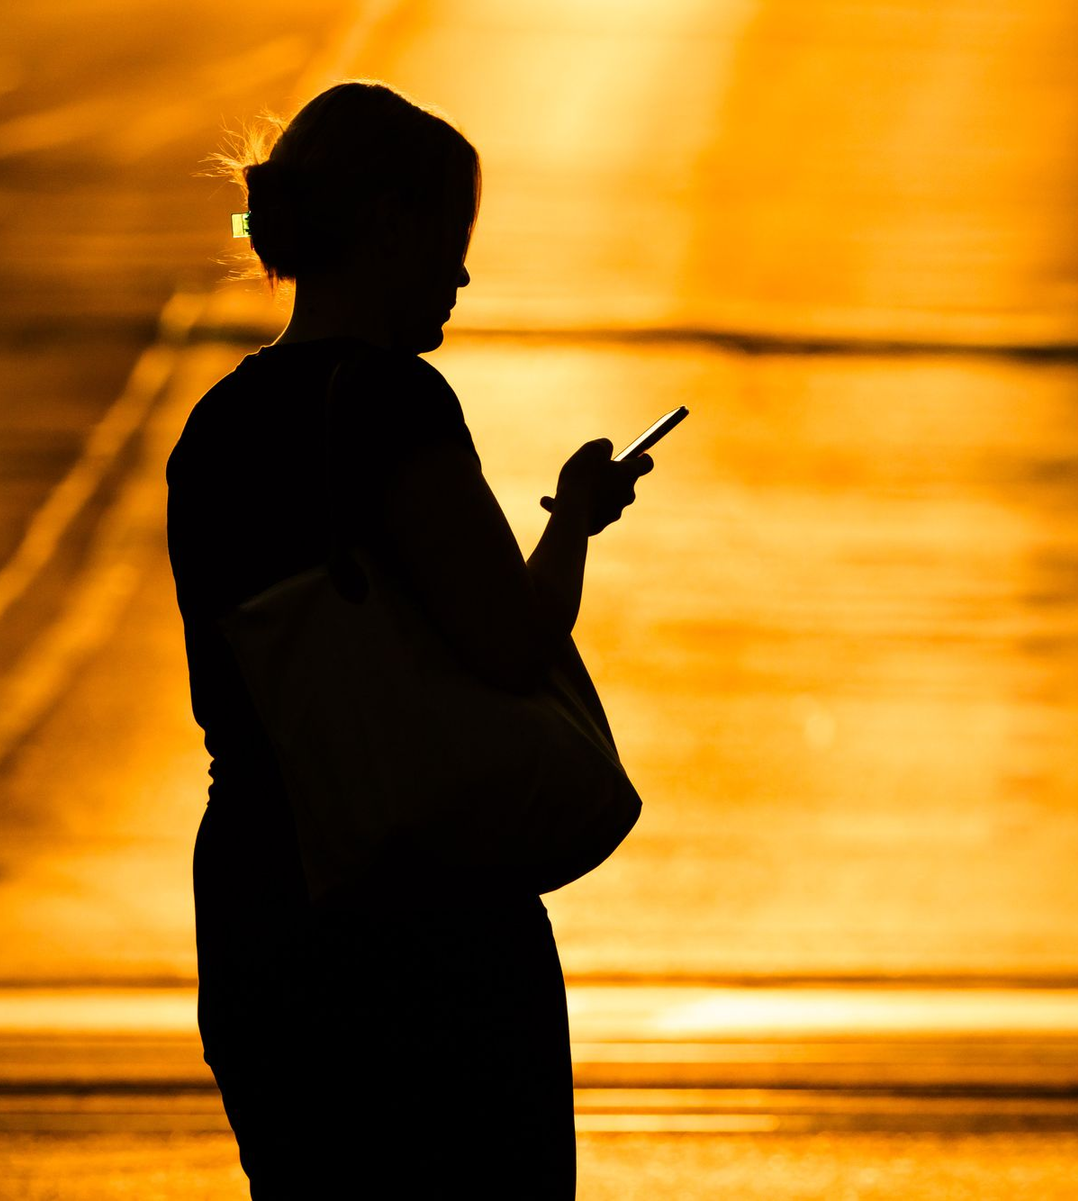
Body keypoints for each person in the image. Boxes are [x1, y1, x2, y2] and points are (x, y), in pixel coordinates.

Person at [166, 81, 653, 1198]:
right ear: (389, 228)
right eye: (450, 239)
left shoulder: (216, 427)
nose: (462, 275)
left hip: (259, 902)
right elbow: (509, 641)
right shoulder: (391, 403)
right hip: (420, 916)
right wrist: (572, 522)